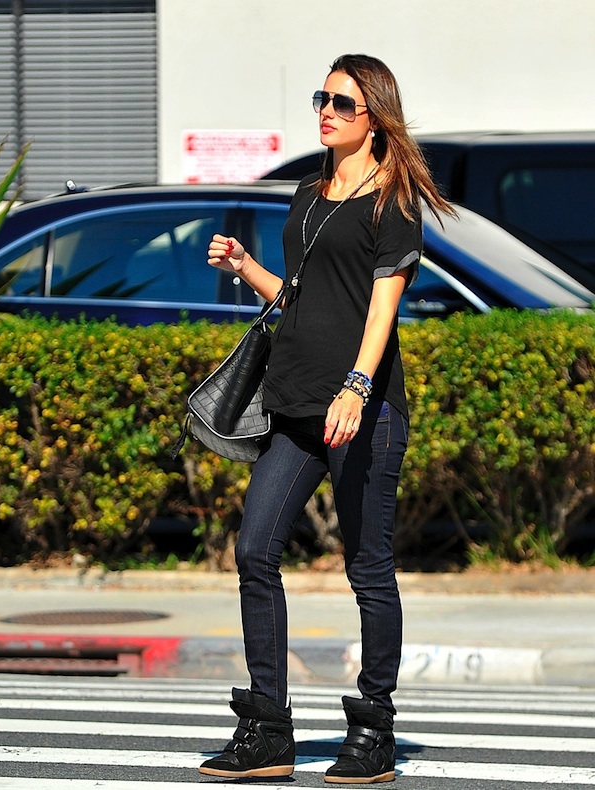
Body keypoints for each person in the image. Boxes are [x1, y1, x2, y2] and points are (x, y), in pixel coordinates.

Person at [198, 53, 455, 784]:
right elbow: (304, 297)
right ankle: (268, 728)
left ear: (374, 117)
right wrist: (246, 267)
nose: (327, 112)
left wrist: (356, 387)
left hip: (360, 410)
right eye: (322, 98)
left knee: (367, 568)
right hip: (295, 404)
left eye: (343, 103)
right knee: (255, 550)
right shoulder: (309, 192)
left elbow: (381, 310)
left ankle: (373, 730)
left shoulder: (393, 201)